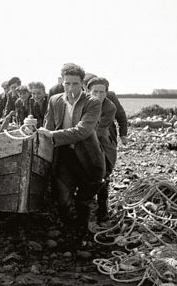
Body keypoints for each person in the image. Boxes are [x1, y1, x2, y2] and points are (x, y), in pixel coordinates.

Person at [38, 63, 105, 241]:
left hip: (87, 156)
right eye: (67, 83)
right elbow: (48, 126)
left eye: (75, 83)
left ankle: (81, 233)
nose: (70, 87)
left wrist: (51, 135)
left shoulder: (92, 102)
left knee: (83, 200)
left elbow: (83, 131)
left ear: (82, 84)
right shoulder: (54, 100)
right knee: (63, 200)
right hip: (64, 157)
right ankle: (69, 230)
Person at [85, 77, 117, 224]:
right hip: (83, 138)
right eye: (95, 91)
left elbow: (99, 129)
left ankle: (102, 209)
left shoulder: (110, 107)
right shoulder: (83, 102)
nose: (98, 95)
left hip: (102, 142)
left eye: (101, 92)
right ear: (88, 91)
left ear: (106, 92)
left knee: (104, 174)